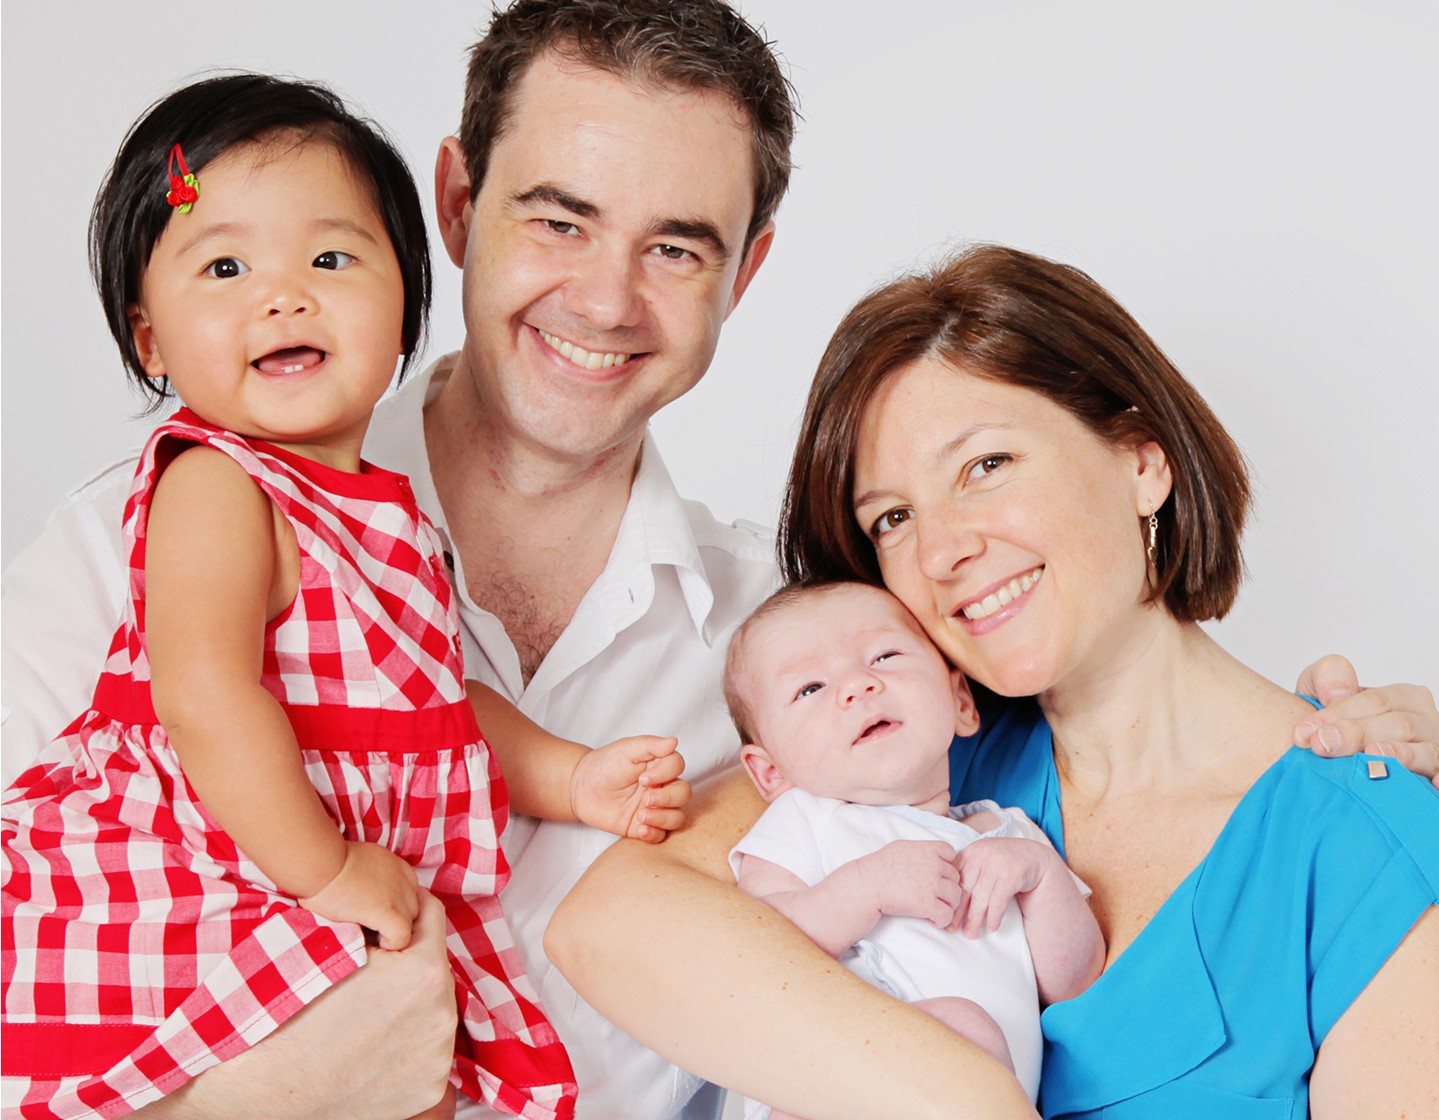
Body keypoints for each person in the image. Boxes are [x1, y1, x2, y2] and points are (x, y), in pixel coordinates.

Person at [2, 2, 1434, 1117]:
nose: (605, 299)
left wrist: (1387, 751)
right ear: (452, 204)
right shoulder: (146, 541)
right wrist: (247, 1103)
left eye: (676, 248)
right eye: (556, 219)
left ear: (744, 273)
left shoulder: (800, 655)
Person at [550, 245, 1439, 1118]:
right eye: (892, 518)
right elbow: (607, 928)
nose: (942, 552)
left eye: (985, 466)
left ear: (1141, 462)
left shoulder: (1364, 843)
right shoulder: (909, 748)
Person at [1, 73, 691, 1120]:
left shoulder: (386, 510)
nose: (283, 296)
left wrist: (572, 776)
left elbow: (434, 700)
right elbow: (203, 694)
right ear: (150, 339)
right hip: (207, 872)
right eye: (224, 266)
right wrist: (322, 869)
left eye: (330, 258)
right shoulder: (218, 483)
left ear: (407, 300)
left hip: (328, 891)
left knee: (413, 1059)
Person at [724, 580, 1104, 1116]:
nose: (858, 686)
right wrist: (864, 889)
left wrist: (1041, 875)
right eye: (810, 688)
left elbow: (1075, 983)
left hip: (979, 1098)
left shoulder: (1006, 834)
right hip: (823, 1091)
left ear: (961, 701)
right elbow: (753, 951)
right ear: (770, 772)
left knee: (969, 1033)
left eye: (884, 655)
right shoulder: (805, 819)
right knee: (963, 1029)